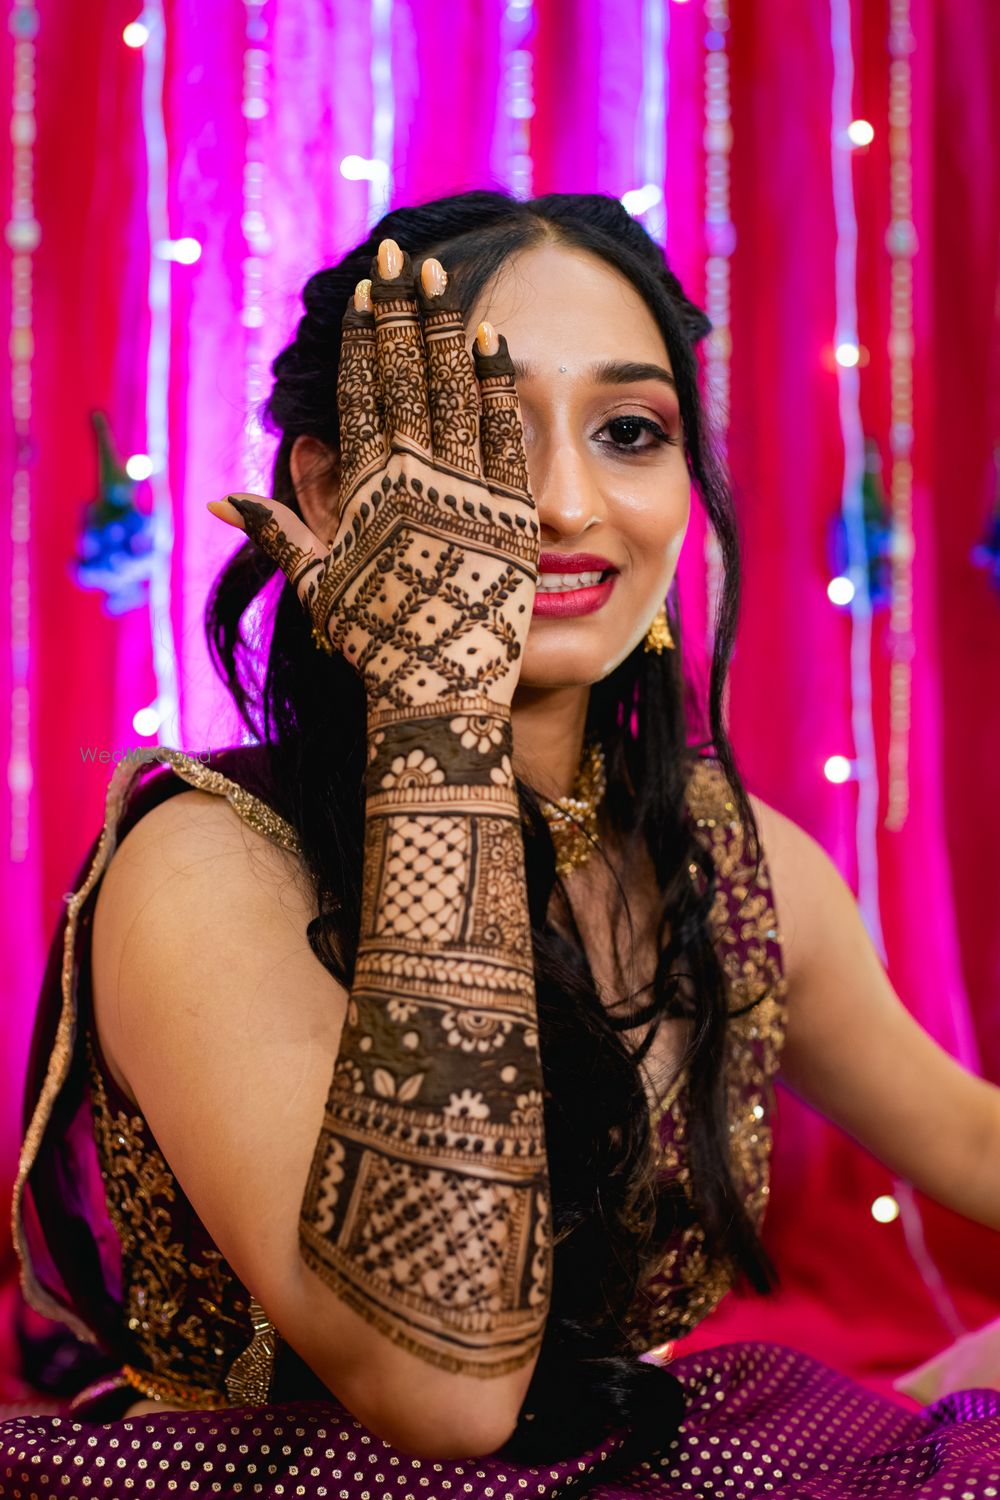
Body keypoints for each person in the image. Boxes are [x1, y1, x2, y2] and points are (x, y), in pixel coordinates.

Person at [4, 189, 1000, 1496]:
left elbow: (974, 1148)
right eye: (480, 438)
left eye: (630, 431)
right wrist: (438, 709)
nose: (565, 503)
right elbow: (444, 1390)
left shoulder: (727, 861)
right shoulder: (206, 866)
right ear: (325, 484)